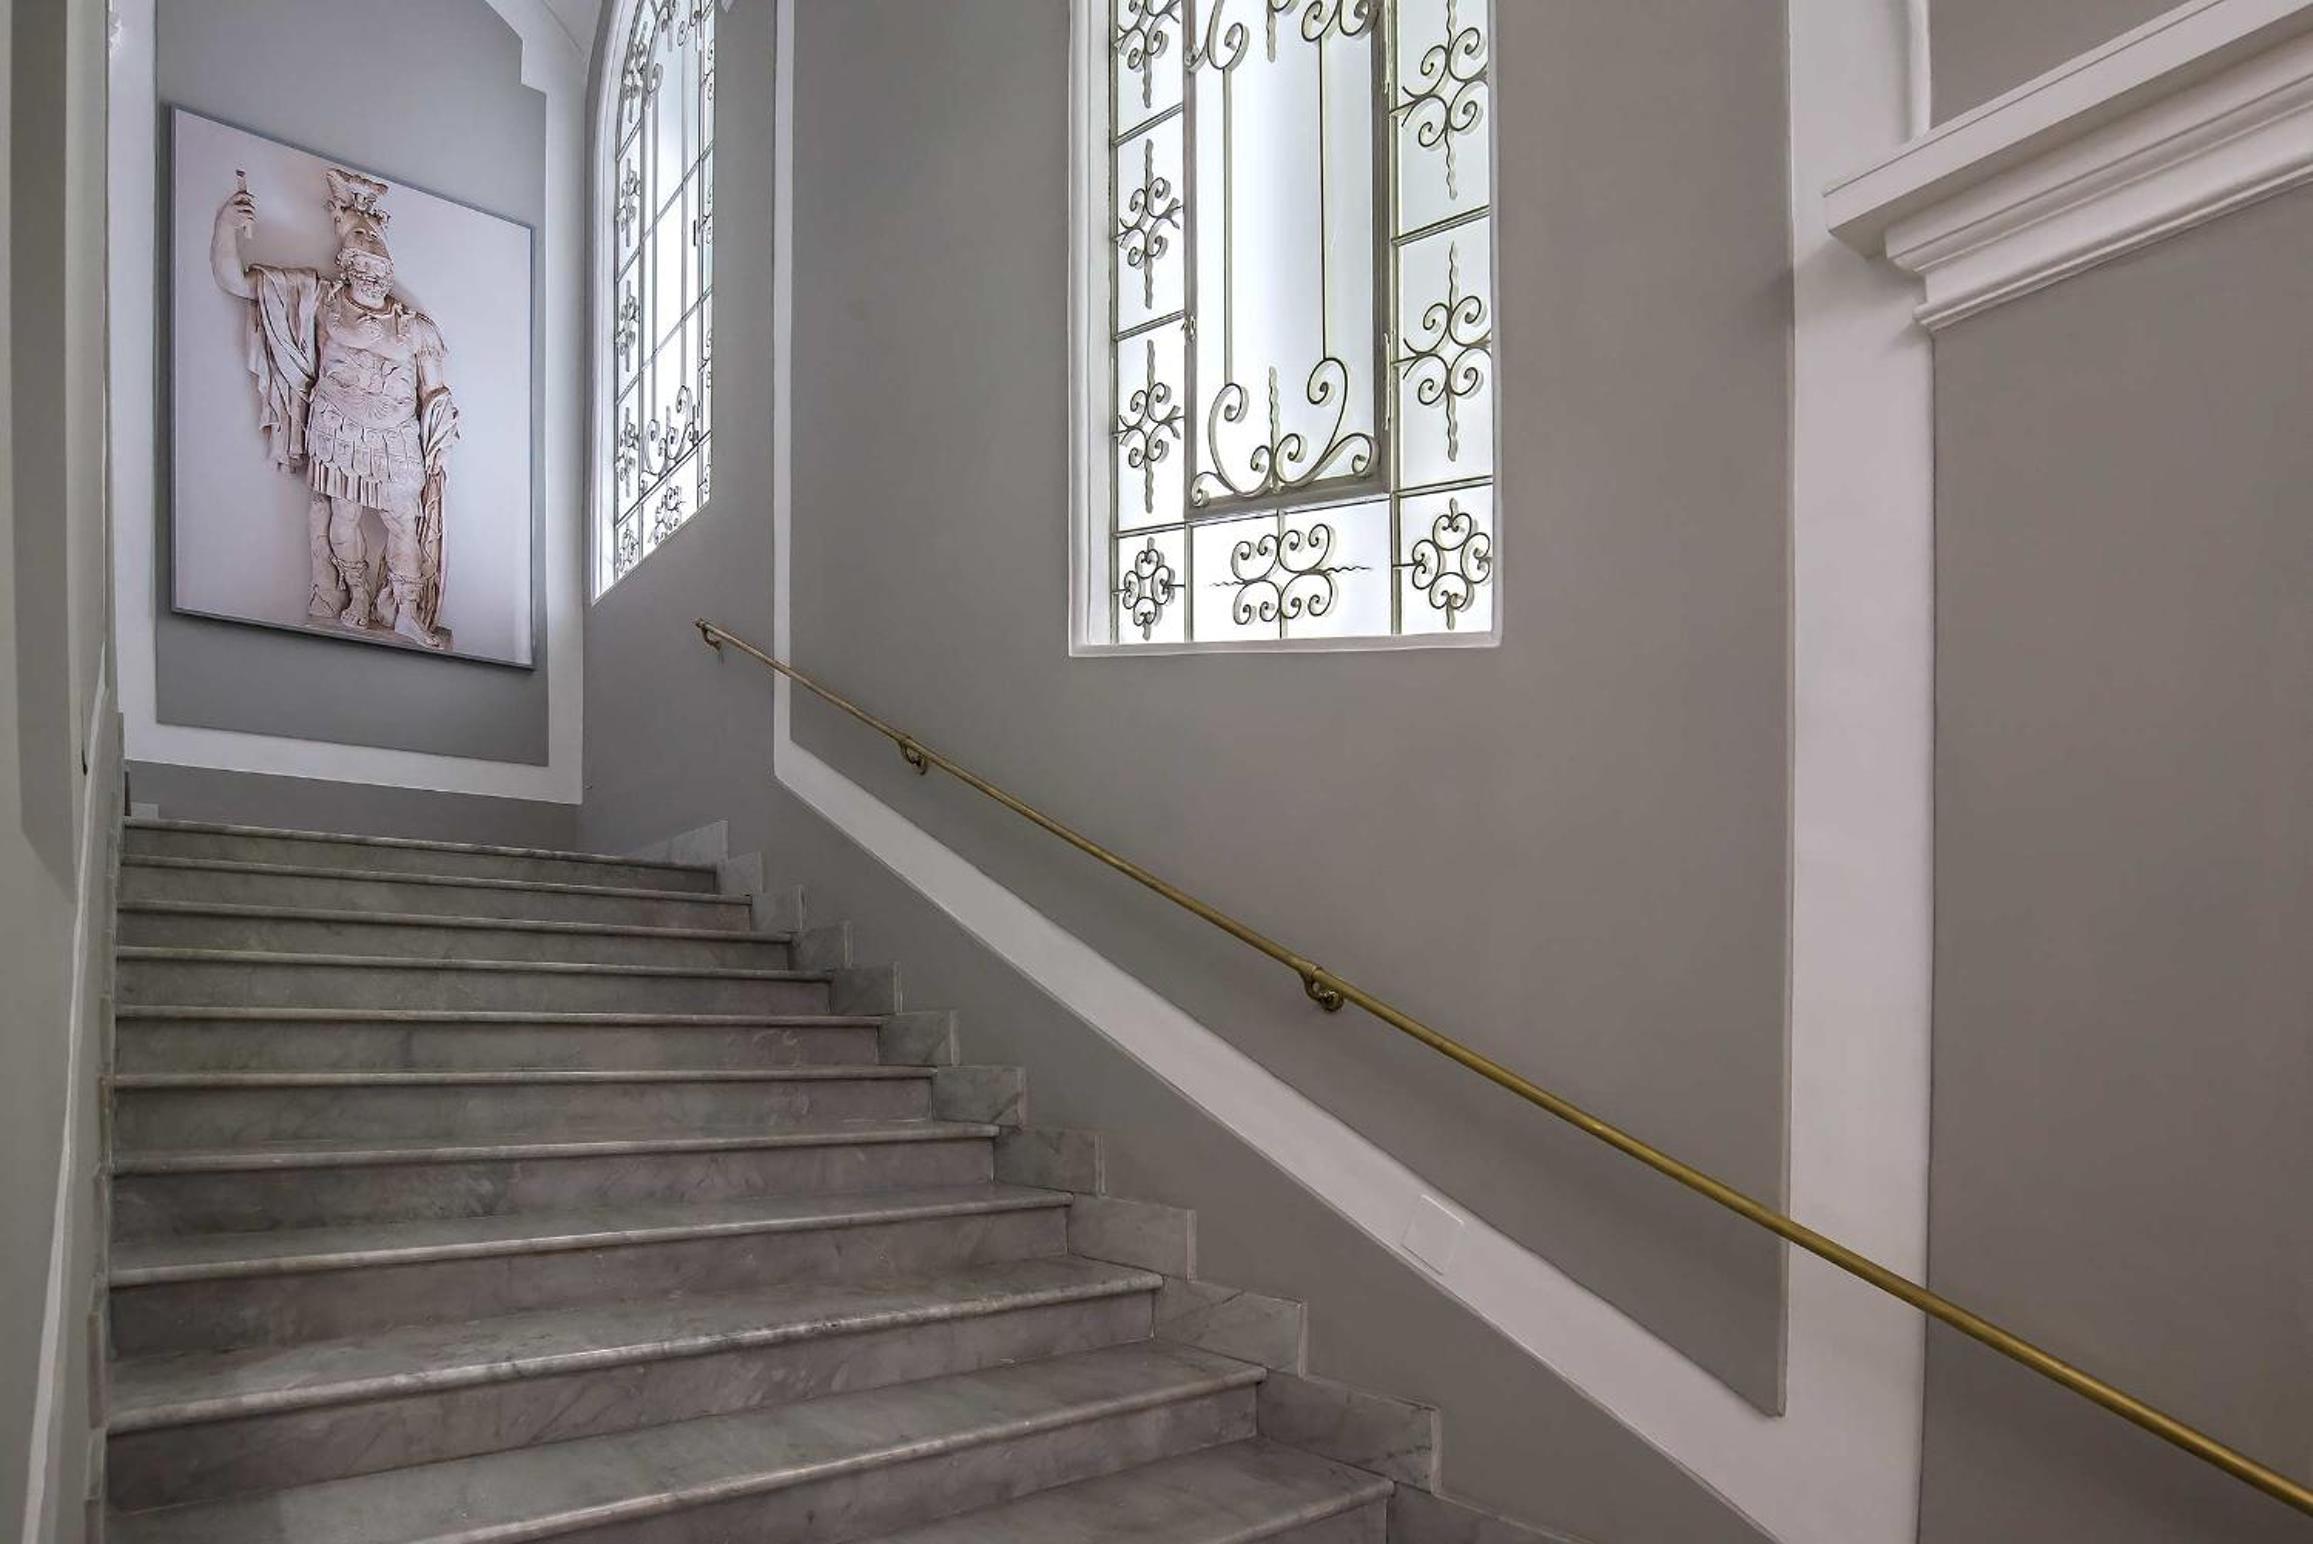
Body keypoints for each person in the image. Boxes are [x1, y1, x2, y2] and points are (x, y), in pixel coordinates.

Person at [211, 166, 459, 650]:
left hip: (396, 437)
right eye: (360, 246)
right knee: (341, 516)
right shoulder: (320, 299)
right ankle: (358, 597)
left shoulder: (417, 328)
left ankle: (408, 612)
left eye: (376, 247)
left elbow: (435, 395)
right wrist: (226, 228)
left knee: (403, 521)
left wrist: (440, 446)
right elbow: (236, 282)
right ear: (347, 262)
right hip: (337, 428)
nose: (370, 257)